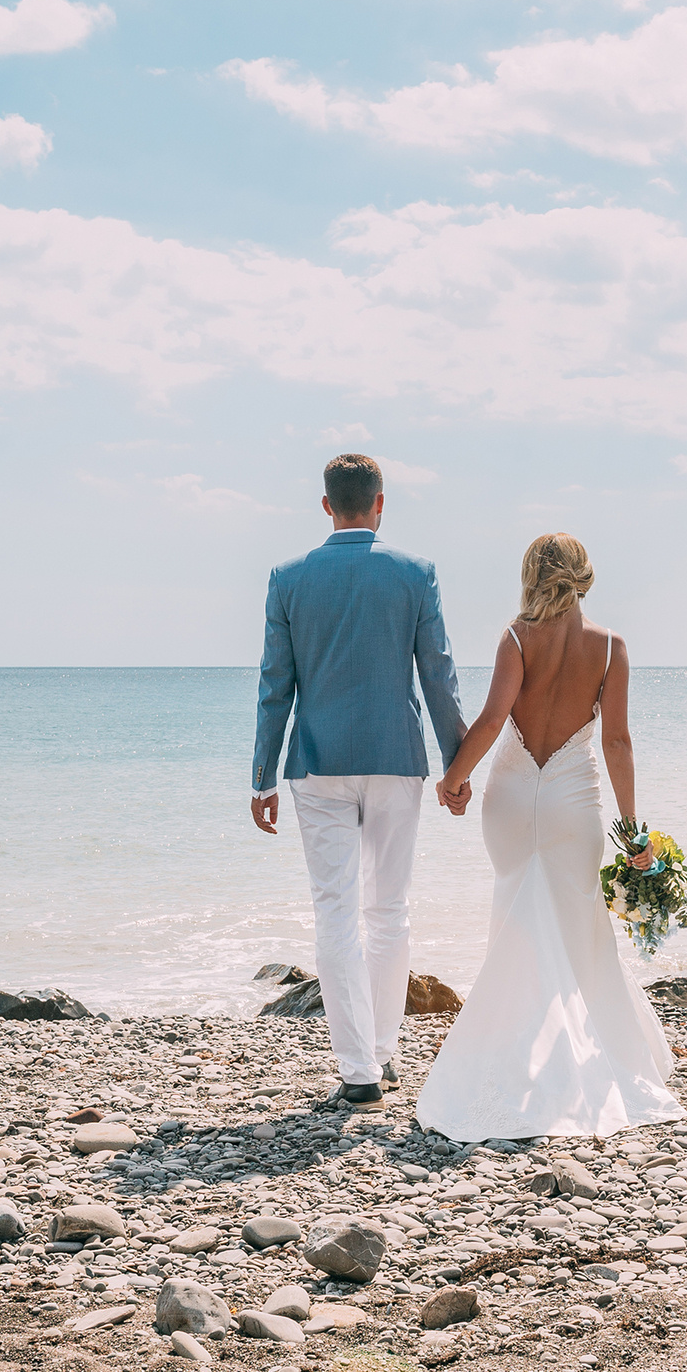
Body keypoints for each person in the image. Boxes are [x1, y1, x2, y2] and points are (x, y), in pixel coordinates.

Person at [414, 533, 684, 1142]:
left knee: (518, 921)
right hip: (573, 806)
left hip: (510, 801)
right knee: (577, 929)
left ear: (531, 576)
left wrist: (454, 779)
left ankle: (511, 1061)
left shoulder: (515, 638)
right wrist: (634, 830)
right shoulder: (611, 649)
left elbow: (490, 721)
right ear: (585, 577)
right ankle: (585, 1064)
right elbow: (616, 742)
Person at [251, 454, 465, 1111]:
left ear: (326, 505)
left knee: (336, 910)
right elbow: (439, 676)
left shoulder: (288, 578)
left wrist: (261, 776)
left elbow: (274, 686)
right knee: (389, 910)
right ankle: (384, 1050)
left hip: (316, 763)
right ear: (379, 504)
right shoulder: (415, 573)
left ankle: (359, 1070)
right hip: (397, 757)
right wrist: (457, 764)